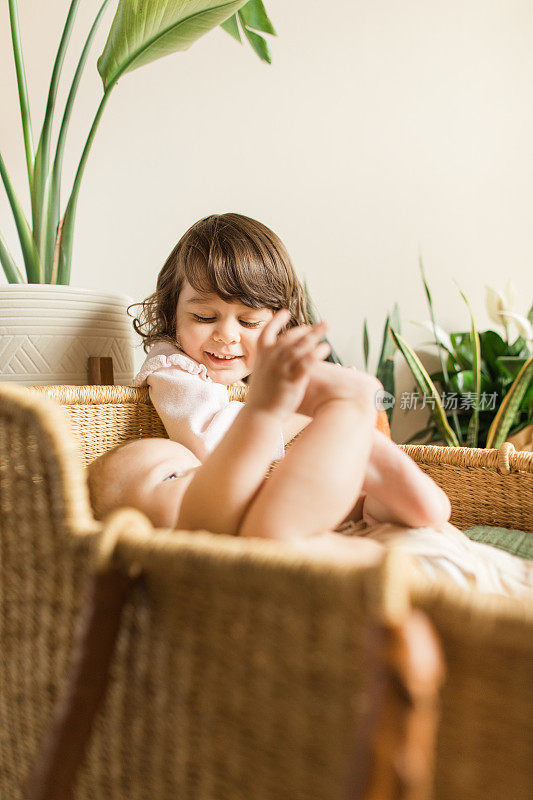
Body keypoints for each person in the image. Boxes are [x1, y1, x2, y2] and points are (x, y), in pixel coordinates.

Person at [88, 312, 532, 598]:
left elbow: (429, 510)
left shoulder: (287, 530)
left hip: (468, 567)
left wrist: (362, 465)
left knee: (396, 509)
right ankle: (348, 404)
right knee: (273, 544)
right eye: (170, 477)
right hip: (478, 602)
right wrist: (264, 409)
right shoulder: (225, 556)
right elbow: (221, 524)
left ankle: (357, 426)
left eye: (193, 466)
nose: (199, 474)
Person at [131, 212, 445, 527]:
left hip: (282, 502)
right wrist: (300, 413)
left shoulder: (255, 371)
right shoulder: (172, 368)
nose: (226, 335)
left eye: (249, 321)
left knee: (367, 496)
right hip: (236, 510)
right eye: (203, 317)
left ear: (278, 323)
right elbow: (213, 446)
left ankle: (387, 490)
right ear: (172, 314)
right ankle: (370, 467)